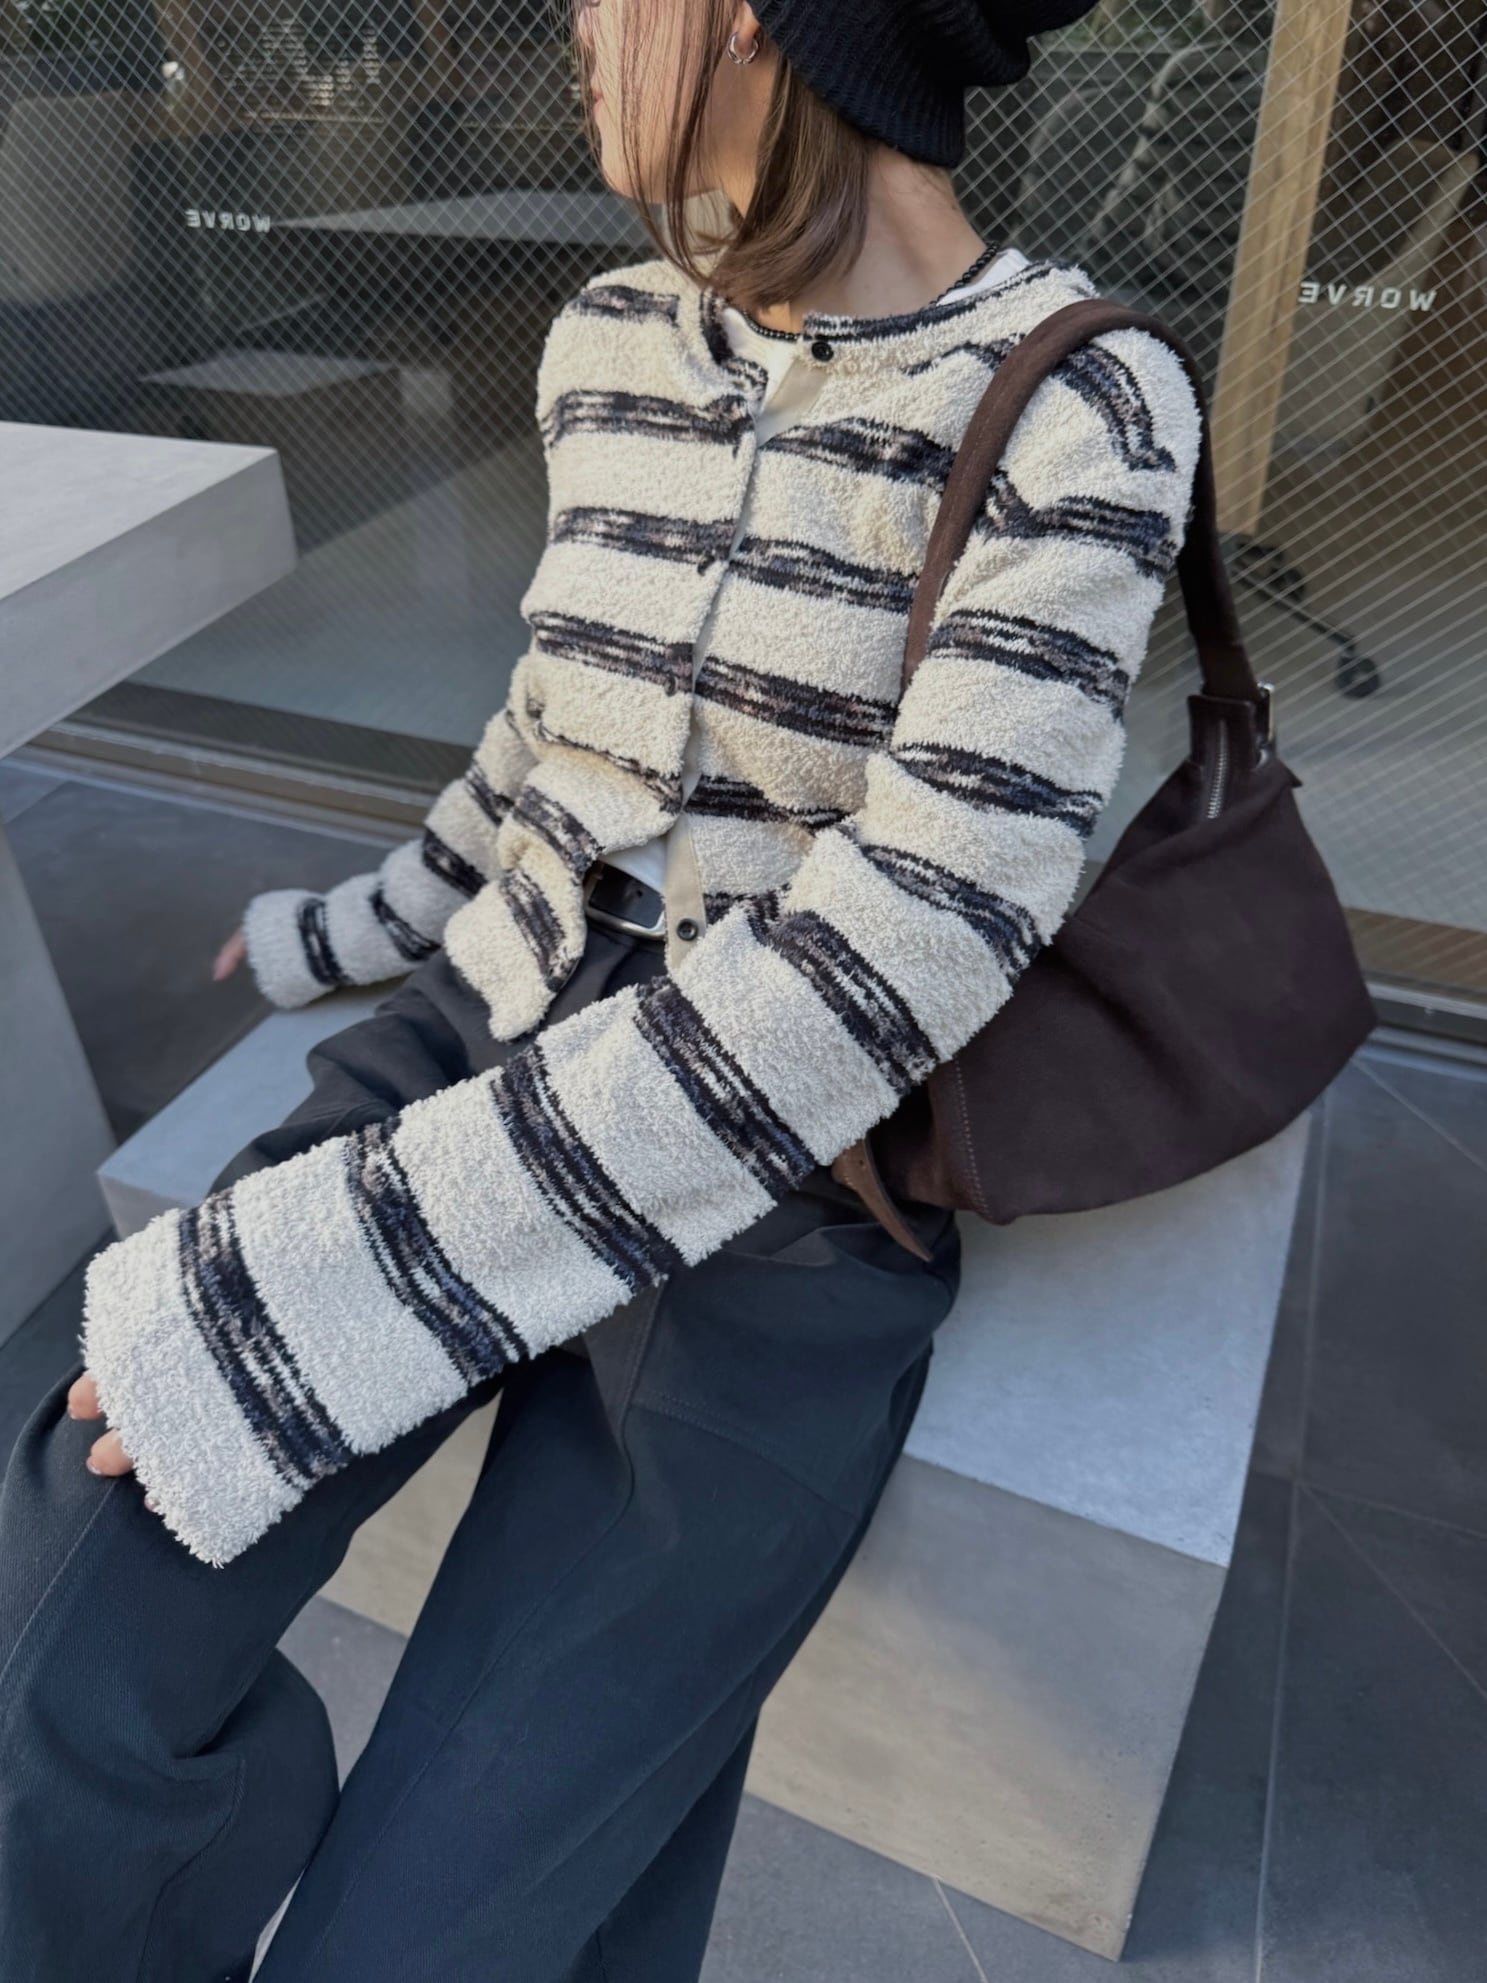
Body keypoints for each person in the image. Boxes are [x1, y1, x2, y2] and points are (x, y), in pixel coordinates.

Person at [0, 2, 1203, 1977]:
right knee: (41, 1652)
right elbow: (550, 730)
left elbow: (907, 943)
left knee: (456, 1918)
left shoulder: (1084, 409)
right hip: (488, 1015)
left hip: (793, 1173)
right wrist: (355, 928)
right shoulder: (610, 338)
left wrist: (341, 1274)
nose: (572, 21)